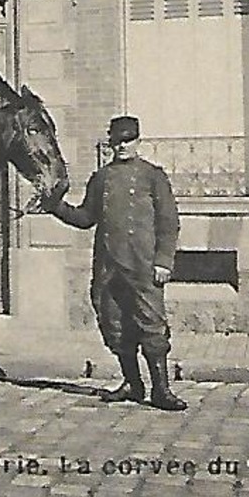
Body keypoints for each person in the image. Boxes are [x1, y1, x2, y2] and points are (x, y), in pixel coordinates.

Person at [47, 115, 187, 411]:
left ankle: (161, 391)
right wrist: (55, 207)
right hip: (109, 267)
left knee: (152, 326)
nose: (122, 146)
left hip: (143, 267)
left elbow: (169, 222)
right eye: (117, 141)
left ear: (138, 141)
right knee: (113, 324)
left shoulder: (153, 176)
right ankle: (132, 384)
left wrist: (164, 261)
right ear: (111, 143)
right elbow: (86, 218)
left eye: (128, 140)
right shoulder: (101, 178)